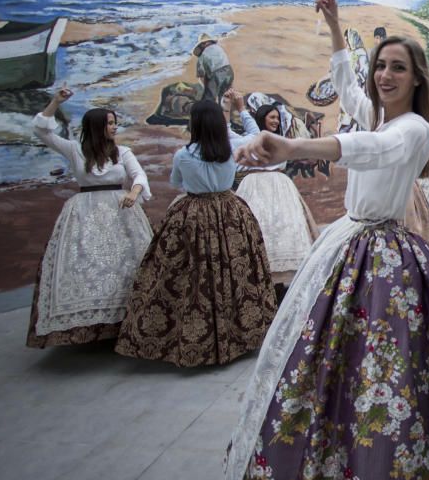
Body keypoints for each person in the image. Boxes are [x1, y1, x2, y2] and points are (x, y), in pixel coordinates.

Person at [225, 0, 429, 480]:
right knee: (326, 359)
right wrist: (335, 27)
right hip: (348, 243)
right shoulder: (380, 115)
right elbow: (347, 87)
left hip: (386, 257)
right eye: (380, 67)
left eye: (397, 67)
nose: (385, 76)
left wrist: (291, 145)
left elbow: (370, 150)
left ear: (416, 77)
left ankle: (384, 462)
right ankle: (331, 454)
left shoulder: (415, 128)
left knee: (385, 364)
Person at [114, 100, 276, 367]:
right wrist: (240, 108)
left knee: (190, 274)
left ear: (195, 124)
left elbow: (177, 182)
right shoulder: (232, 148)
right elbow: (253, 136)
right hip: (230, 211)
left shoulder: (183, 155)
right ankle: (241, 333)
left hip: (194, 213)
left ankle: (194, 338)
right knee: (236, 271)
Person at [26, 88, 153, 348]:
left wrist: (135, 191)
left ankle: (123, 322)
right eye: (109, 123)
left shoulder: (123, 151)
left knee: (125, 264)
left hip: (121, 211)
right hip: (85, 212)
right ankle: (92, 328)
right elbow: (41, 131)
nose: (114, 127)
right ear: (97, 126)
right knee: (88, 264)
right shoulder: (75, 150)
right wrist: (56, 102)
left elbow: (139, 174)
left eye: (115, 122)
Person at [235, 100, 320, 285]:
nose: (276, 121)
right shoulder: (252, 139)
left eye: (277, 118)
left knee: (286, 224)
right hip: (255, 186)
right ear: (262, 118)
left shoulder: (282, 141)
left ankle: (284, 276)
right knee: (258, 224)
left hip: (281, 187)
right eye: (271, 117)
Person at [192, 33, 233, 103]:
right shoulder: (219, 48)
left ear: (202, 45)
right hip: (229, 71)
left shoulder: (202, 56)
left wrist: (206, 88)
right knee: (223, 94)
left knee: (209, 97)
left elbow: (201, 76)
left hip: (218, 74)